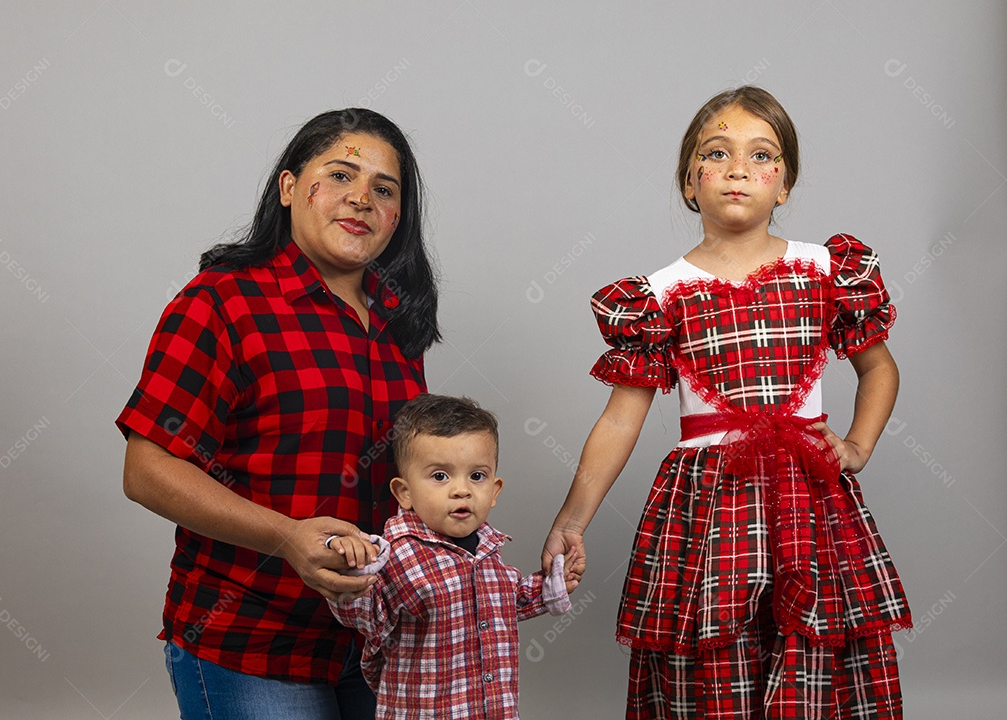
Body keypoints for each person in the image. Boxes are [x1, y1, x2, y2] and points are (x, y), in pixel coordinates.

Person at [542, 86, 912, 719]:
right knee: (714, 653)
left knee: (816, 643)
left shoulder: (826, 270)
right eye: (717, 153)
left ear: (785, 185)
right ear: (690, 182)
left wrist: (858, 444)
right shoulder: (658, 296)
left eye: (762, 155)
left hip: (810, 491)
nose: (740, 169)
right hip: (709, 501)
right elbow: (620, 420)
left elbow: (878, 368)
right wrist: (571, 521)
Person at [116, 108, 440, 720]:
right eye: (340, 175)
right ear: (290, 188)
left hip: (379, 640)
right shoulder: (221, 301)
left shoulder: (397, 318)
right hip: (251, 638)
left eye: (384, 188)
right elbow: (146, 468)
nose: (362, 199)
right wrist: (286, 537)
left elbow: (408, 474)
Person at [327, 393, 578, 719]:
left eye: (477, 476)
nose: (462, 490)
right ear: (405, 493)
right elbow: (366, 617)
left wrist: (551, 585)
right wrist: (353, 571)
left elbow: (507, 600)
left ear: (494, 491)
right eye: (440, 476)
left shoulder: (489, 548)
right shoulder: (397, 554)